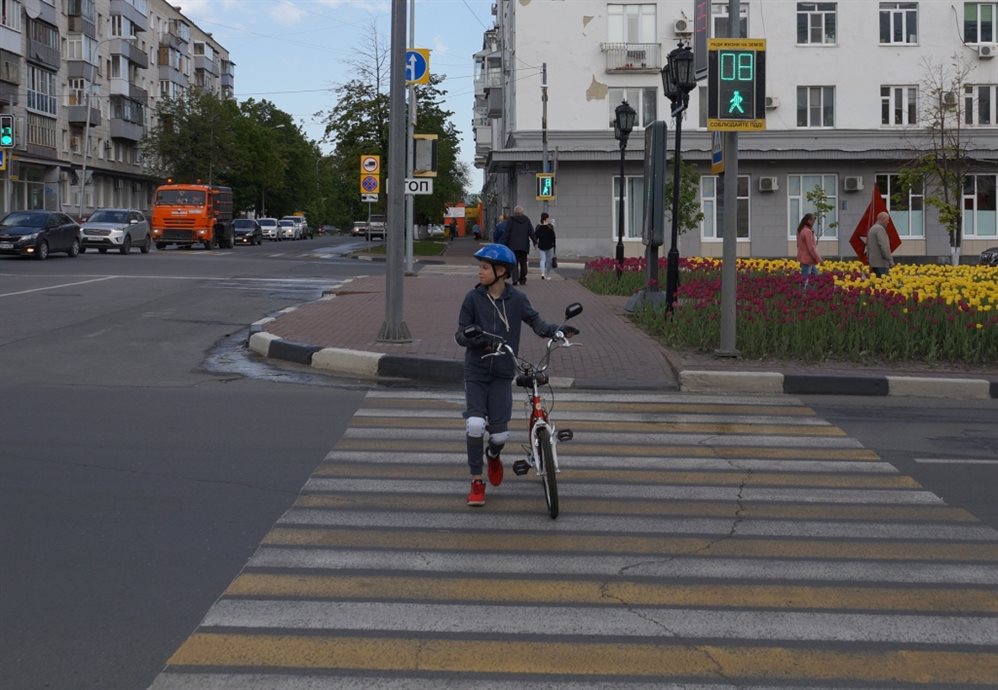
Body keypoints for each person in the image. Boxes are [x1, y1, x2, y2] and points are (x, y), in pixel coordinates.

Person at [454, 244, 579, 507]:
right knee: (475, 425)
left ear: (501, 271)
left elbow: (537, 323)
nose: (480, 272)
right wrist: (474, 338)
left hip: (502, 373)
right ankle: (477, 481)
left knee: (499, 436)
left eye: (485, 268)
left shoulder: (517, 299)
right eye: (481, 267)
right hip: (476, 371)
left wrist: (558, 330)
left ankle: (493, 454)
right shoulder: (472, 299)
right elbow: (460, 335)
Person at [501, 205, 535, 284]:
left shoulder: (510, 220)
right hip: (524, 246)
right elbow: (531, 231)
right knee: (523, 263)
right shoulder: (527, 220)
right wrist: (535, 242)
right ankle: (523, 279)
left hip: (513, 246)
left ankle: (515, 280)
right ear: (522, 212)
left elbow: (506, 233)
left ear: (515, 213)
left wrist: (503, 244)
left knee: (514, 263)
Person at [795, 213, 821, 287]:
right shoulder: (807, 231)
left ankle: (811, 294)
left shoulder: (801, 230)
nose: (814, 223)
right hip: (807, 259)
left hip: (805, 258)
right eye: (813, 221)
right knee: (805, 280)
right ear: (809, 221)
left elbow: (798, 245)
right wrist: (819, 259)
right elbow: (811, 248)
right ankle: (803, 295)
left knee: (815, 277)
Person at [866, 211, 895, 277]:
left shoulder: (872, 228)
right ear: (883, 219)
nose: (888, 222)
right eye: (887, 220)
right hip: (881, 263)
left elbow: (868, 246)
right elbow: (884, 247)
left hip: (873, 263)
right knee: (883, 285)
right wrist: (891, 261)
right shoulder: (880, 229)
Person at [535, 212, 557, 280]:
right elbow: (553, 236)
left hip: (541, 245)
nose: (548, 219)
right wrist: (554, 244)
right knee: (549, 261)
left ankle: (542, 273)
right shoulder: (550, 226)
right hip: (549, 245)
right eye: (548, 218)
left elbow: (535, 236)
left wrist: (535, 243)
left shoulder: (538, 227)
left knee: (542, 260)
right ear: (546, 218)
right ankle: (547, 275)